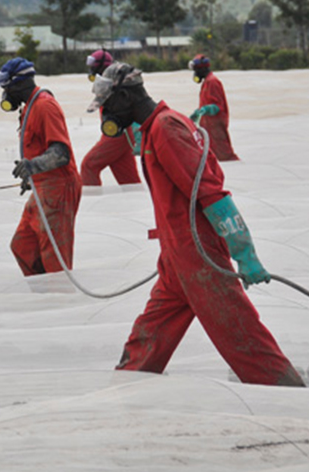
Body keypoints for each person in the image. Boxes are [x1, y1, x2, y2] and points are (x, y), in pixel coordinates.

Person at [86, 61, 305, 386]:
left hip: (198, 256)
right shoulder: (154, 129)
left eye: (107, 106)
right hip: (176, 257)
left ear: (126, 98)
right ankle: (128, 386)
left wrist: (244, 251)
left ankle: (286, 393)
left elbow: (211, 194)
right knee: (150, 333)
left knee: (241, 336)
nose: (105, 115)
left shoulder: (166, 129)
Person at [0, 57, 82, 276]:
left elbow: (61, 153)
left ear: (21, 83)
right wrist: (30, 176)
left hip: (59, 188)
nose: (6, 92)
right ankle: (45, 296)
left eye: (7, 86)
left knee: (54, 257)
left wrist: (32, 166)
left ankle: (59, 299)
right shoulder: (29, 108)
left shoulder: (44, 106)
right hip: (43, 187)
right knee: (23, 247)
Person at [80, 49, 142, 186]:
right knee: (129, 182)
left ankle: (91, 201)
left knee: (89, 165)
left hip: (117, 135)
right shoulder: (107, 81)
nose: (91, 70)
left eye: (93, 67)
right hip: (122, 135)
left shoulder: (115, 81)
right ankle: (136, 204)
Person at [189, 54, 239, 161]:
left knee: (225, 156)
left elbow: (218, 106)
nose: (195, 73)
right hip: (208, 127)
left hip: (216, 128)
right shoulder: (206, 82)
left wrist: (205, 110)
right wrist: (198, 114)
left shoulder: (213, 82)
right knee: (210, 157)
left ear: (203, 68)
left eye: (196, 70)